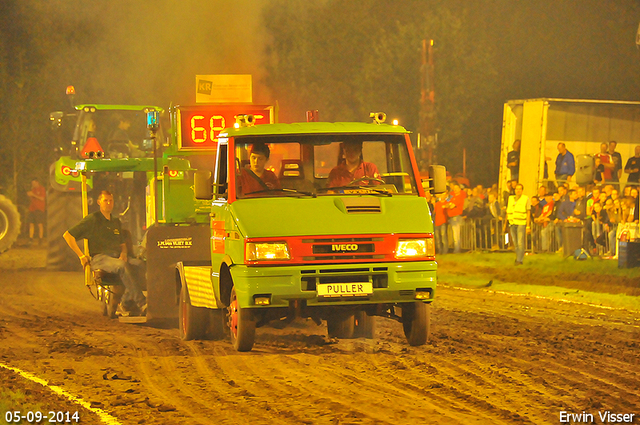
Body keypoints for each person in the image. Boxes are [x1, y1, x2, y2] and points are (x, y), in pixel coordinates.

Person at [63, 191, 146, 316]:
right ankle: (142, 303)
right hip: (100, 258)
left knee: (141, 265)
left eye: (110, 201)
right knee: (121, 266)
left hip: (116, 256)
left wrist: (124, 253)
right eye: (105, 200)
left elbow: (122, 244)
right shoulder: (93, 219)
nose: (108, 203)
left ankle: (125, 303)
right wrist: (81, 255)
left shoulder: (116, 221)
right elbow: (68, 235)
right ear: (99, 202)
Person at [506, 183, 530, 265]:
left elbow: (528, 212)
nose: (518, 190)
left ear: (522, 190)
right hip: (512, 223)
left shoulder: (526, 198)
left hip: (521, 223)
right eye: (517, 189)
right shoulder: (510, 198)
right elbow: (508, 211)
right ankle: (518, 258)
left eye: (520, 189)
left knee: (520, 242)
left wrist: (528, 226)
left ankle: (520, 260)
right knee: (515, 243)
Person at [446, 182, 466, 253]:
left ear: (459, 189)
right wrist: (449, 204)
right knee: (454, 234)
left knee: (456, 234)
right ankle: (456, 249)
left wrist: (449, 205)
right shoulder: (452, 196)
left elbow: (451, 206)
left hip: (456, 217)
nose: (455, 190)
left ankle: (457, 250)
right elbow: (446, 203)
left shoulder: (460, 197)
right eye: (454, 189)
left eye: (456, 188)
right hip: (451, 217)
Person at [26, 179, 46, 246]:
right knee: (31, 224)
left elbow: (42, 198)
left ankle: (40, 239)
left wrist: (33, 195)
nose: (33, 185)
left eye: (34, 183)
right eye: (32, 183)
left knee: (40, 224)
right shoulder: (33, 189)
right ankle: (30, 239)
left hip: (39, 209)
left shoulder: (41, 189)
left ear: (37, 182)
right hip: (32, 209)